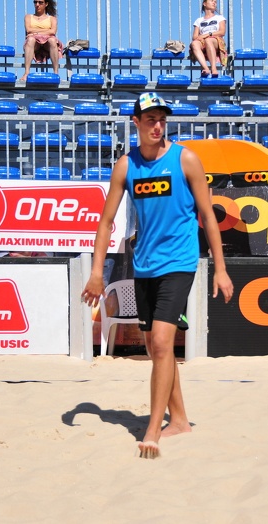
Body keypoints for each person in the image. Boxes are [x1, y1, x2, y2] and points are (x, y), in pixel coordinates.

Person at [81, 92, 233, 459]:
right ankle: (179, 419)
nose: (157, 125)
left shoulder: (186, 159)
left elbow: (208, 217)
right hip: (144, 264)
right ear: (135, 122)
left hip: (179, 262)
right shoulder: (126, 165)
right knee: (154, 348)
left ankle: (154, 428)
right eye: (149, 119)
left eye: (161, 118)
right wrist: (97, 273)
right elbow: (105, 223)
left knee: (163, 345)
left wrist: (221, 269)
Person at [20, 0, 63, 81]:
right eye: (35, 2)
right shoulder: (28, 17)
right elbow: (29, 30)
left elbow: (53, 31)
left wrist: (35, 32)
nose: (37, 5)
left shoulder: (52, 19)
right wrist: (46, 31)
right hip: (34, 43)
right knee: (31, 39)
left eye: (40, 2)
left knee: (52, 40)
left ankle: (56, 73)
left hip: (47, 43)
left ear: (46, 4)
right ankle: (26, 73)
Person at [189, 0, 227, 78]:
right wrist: (200, 38)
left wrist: (207, 34)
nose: (214, 3)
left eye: (215, 2)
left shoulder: (219, 18)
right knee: (194, 43)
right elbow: (195, 36)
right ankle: (206, 68)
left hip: (216, 40)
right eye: (212, 1)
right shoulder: (199, 20)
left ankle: (214, 68)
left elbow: (222, 32)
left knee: (208, 40)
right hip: (203, 40)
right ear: (204, 3)